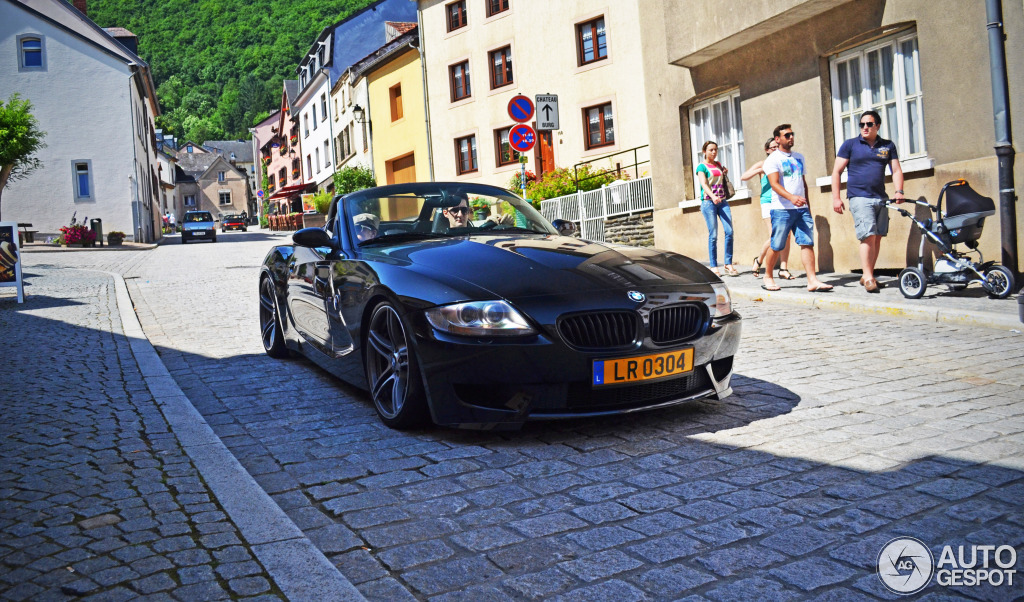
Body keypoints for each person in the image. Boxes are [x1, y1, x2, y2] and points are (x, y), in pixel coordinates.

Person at [831, 109, 905, 293]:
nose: (865, 127)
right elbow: (836, 172)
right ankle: (869, 277)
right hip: (859, 197)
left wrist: (899, 191)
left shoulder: (887, 146)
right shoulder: (850, 145)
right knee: (868, 235)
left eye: (869, 124)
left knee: (877, 236)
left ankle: (867, 274)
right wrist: (836, 198)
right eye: (862, 124)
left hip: (880, 197)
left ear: (877, 126)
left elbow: (896, 170)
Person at [762, 124, 833, 292]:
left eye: (792, 134)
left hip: (801, 209)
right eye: (787, 135)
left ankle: (812, 280)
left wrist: (807, 204)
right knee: (777, 244)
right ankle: (768, 276)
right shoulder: (772, 159)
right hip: (781, 209)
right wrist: (791, 198)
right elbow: (774, 184)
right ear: (778, 139)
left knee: (807, 243)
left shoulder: (799, 157)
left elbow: (803, 183)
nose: (791, 137)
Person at [741, 137, 794, 280]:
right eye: (772, 147)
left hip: (783, 202)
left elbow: (791, 179)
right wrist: (761, 169)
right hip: (768, 202)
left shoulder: (783, 162)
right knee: (774, 236)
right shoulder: (763, 163)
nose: (776, 149)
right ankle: (758, 260)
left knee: (787, 235)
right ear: (767, 150)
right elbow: (743, 177)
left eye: (777, 146)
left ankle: (783, 268)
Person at [696, 141, 738, 277]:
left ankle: (728, 263)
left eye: (715, 150)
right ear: (704, 152)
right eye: (711, 150)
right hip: (709, 202)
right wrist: (713, 196)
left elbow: (721, 181)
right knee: (713, 235)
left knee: (729, 231)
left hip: (723, 201)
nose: (714, 152)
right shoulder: (701, 167)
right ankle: (714, 266)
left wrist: (724, 173)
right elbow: (704, 184)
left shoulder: (718, 165)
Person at [441, 193, 511, 230]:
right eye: (455, 210)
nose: (460, 214)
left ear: (468, 212)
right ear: (446, 213)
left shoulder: (478, 234)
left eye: (464, 210)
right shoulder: (439, 240)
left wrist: (505, 224)